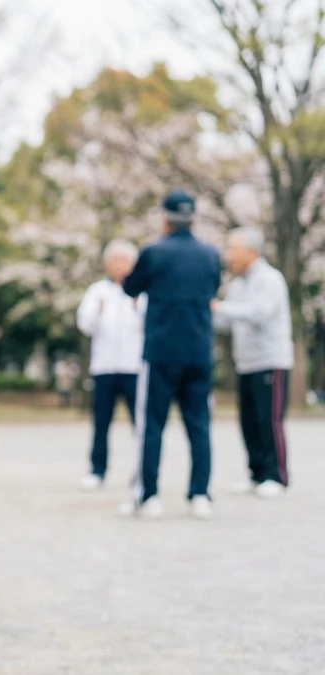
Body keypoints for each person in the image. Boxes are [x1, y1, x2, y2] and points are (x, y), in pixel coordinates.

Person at [121, 190, 221, 520]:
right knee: (200, 425)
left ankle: (148, 495)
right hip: (199, 350)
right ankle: (200, 494)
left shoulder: (153, 251)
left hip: (161, 351)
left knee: (151, 426)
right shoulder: (210, 254)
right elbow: (214, 287)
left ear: (164, 217)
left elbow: (131, 287)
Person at [212, 227, 293, 498]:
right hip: (245, 362)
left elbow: (259, 313)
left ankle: (277, 476)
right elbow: (225, 321)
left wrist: (220, 308)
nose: (229, 255)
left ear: (252, 251)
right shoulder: (237, 284)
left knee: (268, 420)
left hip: (271, 361)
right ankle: (256, 473)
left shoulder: (271, 279)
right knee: (247, 421)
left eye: (233, 248)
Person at [75, 239, 146, 490]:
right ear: (106, 264)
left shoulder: (143, 292)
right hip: (104, 367)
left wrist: (138, 308)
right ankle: (97, 470)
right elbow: (85, 324)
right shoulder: (97, 291)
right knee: (101, 422)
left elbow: (151, 325)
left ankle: (142, 470)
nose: (120, 265)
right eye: (115, 260)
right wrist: (98, 311)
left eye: (125, 260)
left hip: (134, 367)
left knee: (140, 423)